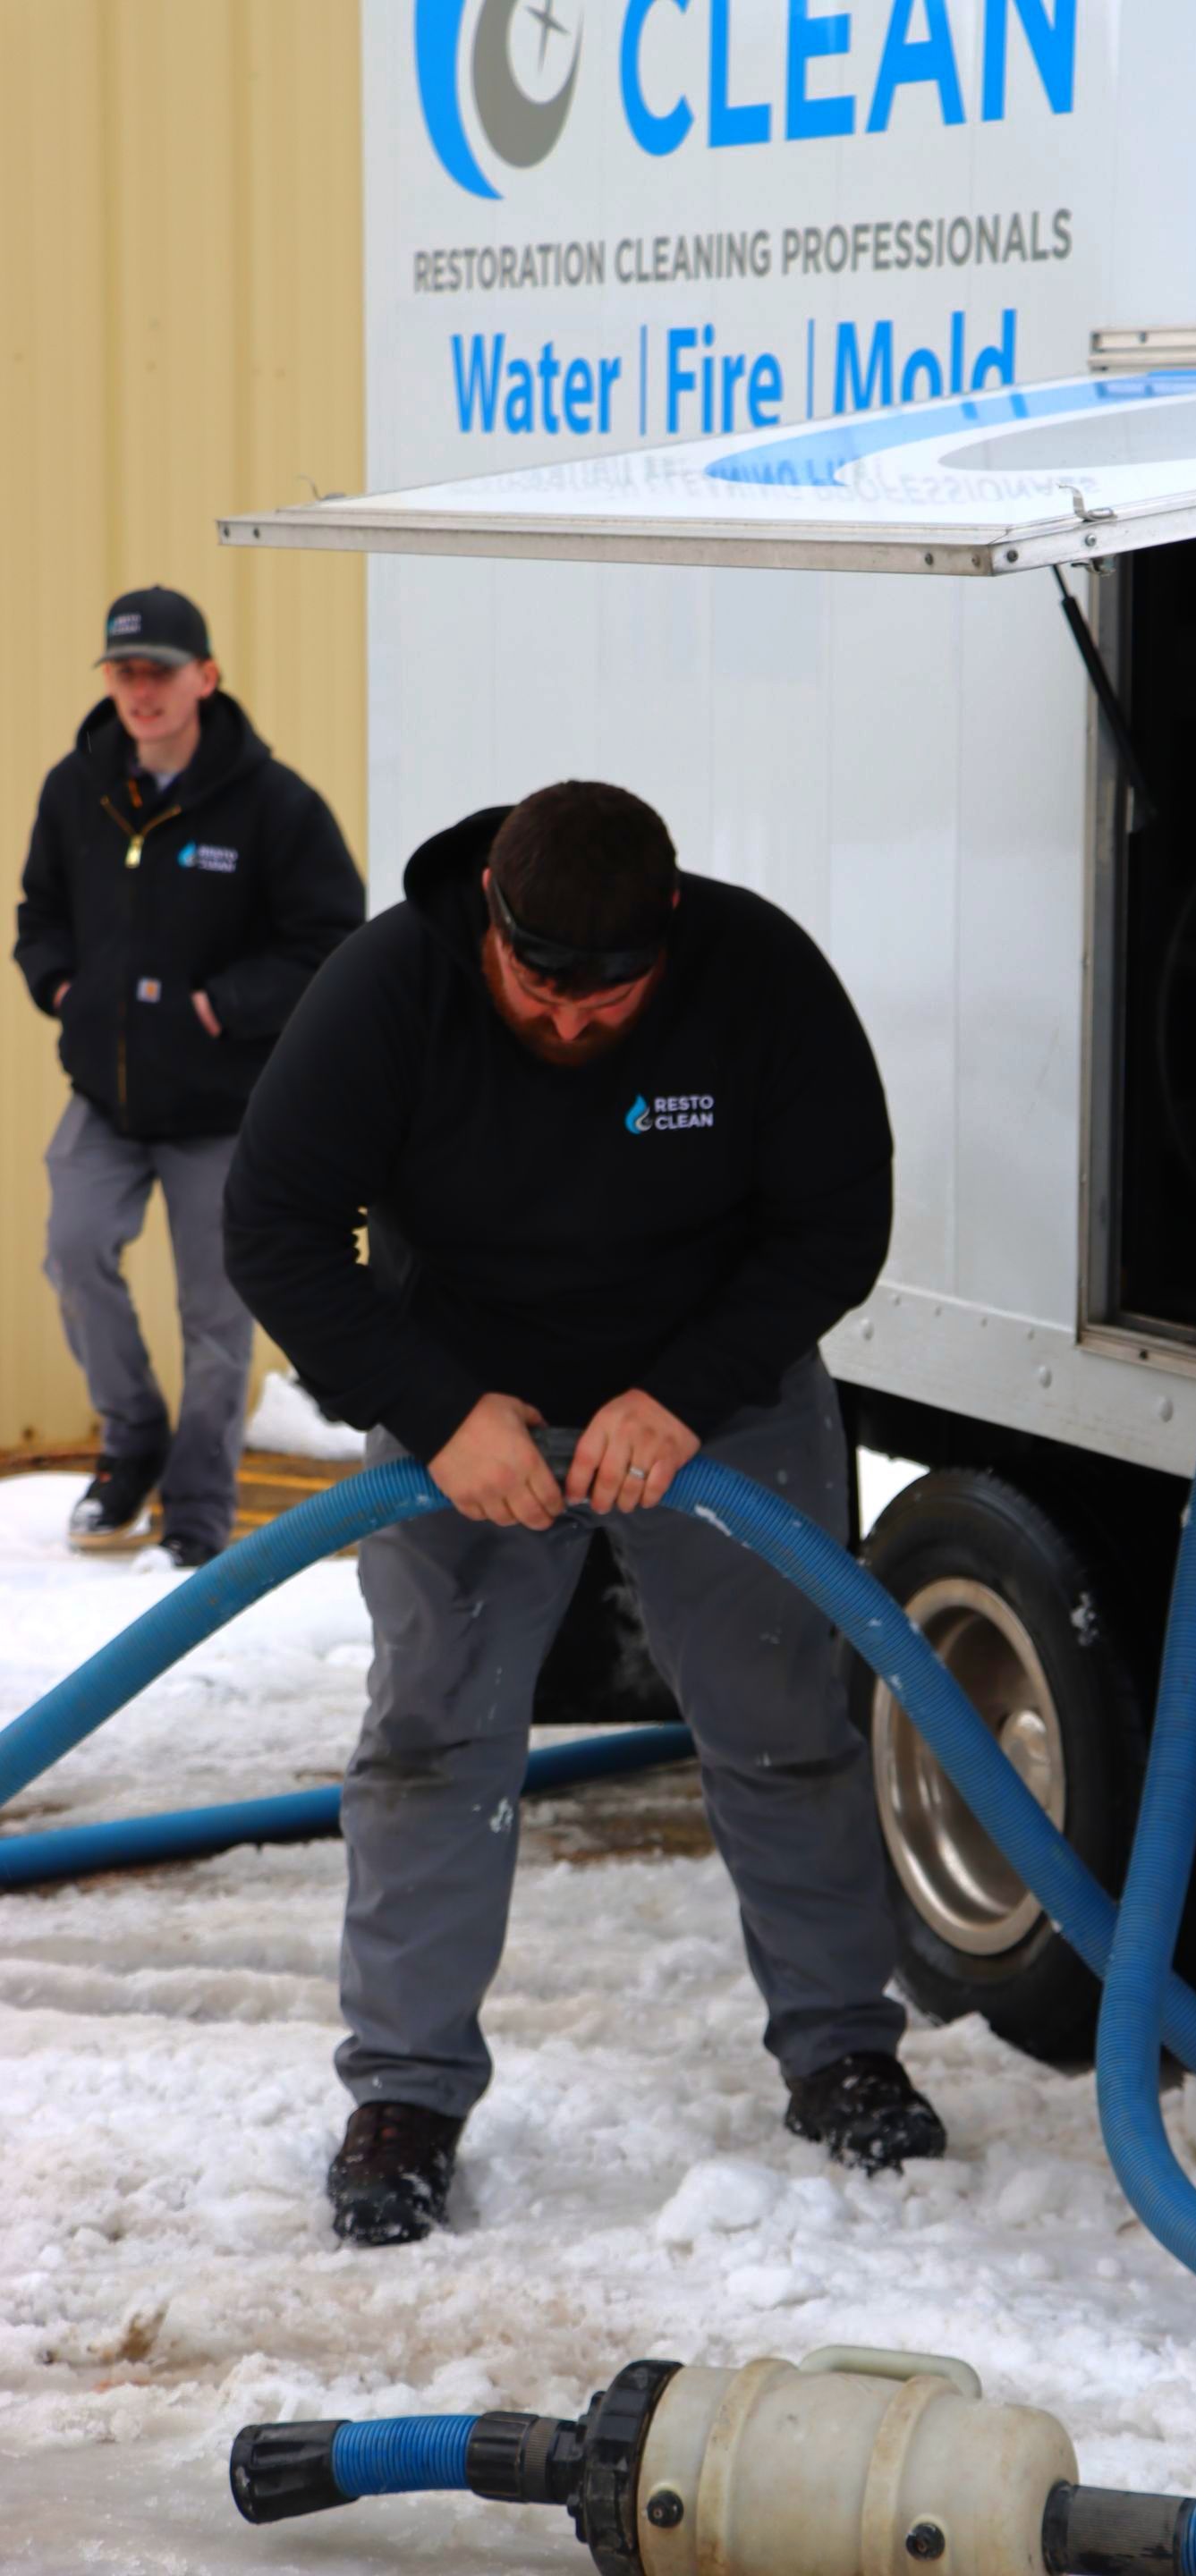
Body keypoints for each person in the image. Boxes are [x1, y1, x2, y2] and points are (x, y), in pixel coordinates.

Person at [222, 779, 945, 2246]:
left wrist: (682, 1393)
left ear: (665, 933)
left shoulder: (759, 978)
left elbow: (836, 1222)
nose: (563, 1023)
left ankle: (843, 2049)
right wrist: (438, 1413)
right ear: (490, 904)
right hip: (468, 1403)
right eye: (536, 985)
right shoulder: (390, 988)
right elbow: (273, 1227)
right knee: (433, 1739)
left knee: (784, 1727)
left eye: (602, 998)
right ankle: (407, 2096)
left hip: (716, 1407)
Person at [13, 587, 364, 1566]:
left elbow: (332, 940)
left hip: (222, 1110)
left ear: (204, 677)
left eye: (160, 671)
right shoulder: (73, 790)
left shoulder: (275, 805)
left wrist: (224, 1006)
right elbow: (39, 912)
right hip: (107, 1100)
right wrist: (61, 985)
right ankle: (132, 1447)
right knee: (74, 1257)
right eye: (125, 672)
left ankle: (198, 1511)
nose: (141, 690)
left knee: (217, 1315)